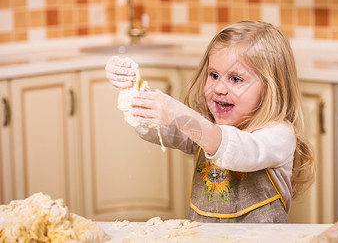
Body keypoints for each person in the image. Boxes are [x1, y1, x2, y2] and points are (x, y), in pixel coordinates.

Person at [105, 20, 315, 223]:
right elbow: (156, 129)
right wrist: (131, 87)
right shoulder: (204, 126)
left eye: (235, 79)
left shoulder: (277, 135)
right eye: (213, 75)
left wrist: (181, 115)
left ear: (271, 88)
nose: (219, 89)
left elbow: (236, 150)